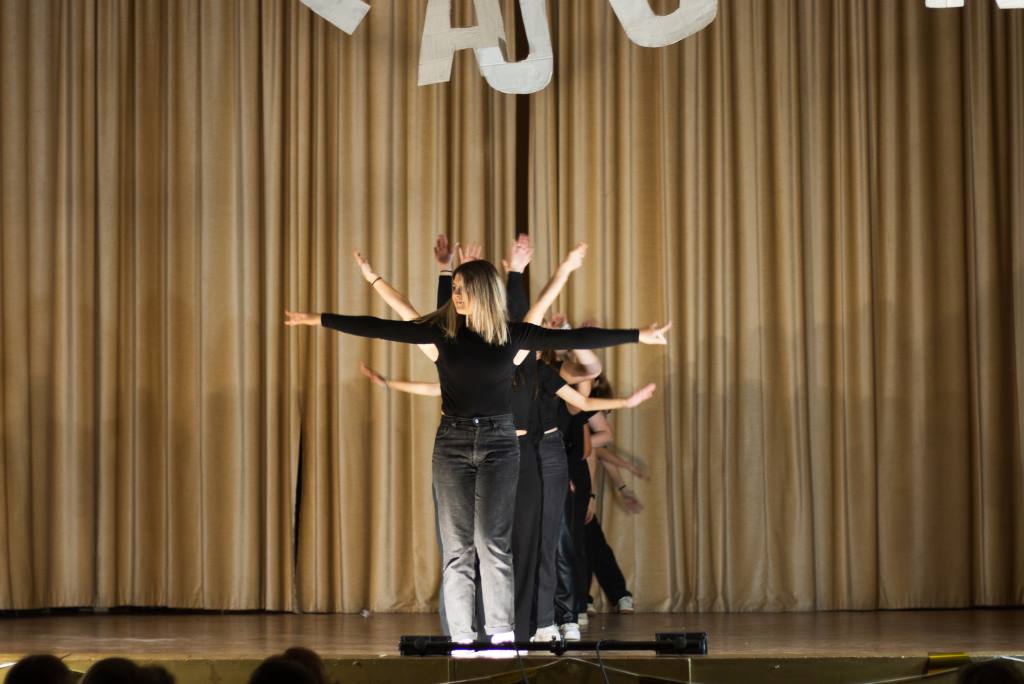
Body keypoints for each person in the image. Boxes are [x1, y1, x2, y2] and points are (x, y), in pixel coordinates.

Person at [285, 258, 670, 650]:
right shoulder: (441, 335)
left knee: (492, 544)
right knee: (457, 550)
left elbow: (583, 340)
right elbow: (384, 325)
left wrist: (639, 335)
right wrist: (324, 316)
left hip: (500, 444)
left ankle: (501, 635)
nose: (456, 296)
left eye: (463, 289)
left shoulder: (513, 338)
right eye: (453, 289)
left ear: (483, 291)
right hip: (452, 443)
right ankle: (462, 638)